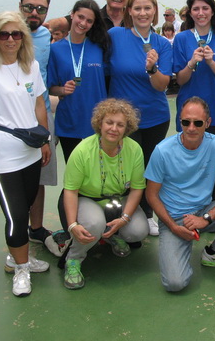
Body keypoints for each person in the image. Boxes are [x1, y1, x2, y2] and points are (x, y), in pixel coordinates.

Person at [0, 0, 59, 252]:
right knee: (15, 207)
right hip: (5, 134)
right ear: (20, 6)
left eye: (40, 8)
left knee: (37, 183)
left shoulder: (44, 41)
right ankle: (19, 249)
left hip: (38, 125)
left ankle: (35, 229)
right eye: (29, 6)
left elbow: (41, 99)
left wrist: (44, 138)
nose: (34, 12)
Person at [145, 97, 215, 292]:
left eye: (198, 123)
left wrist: (205, 218)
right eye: (186, 122)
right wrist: (173, 227)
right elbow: (151, 195)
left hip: (203, 212)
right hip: (174, 218)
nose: (191, 128)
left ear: (208, 123)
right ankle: (179, 247)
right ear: (179, 121)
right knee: (175, 283)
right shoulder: (162, 151)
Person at [62, 98, 148, 290]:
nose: (114, 129)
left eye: (120, 125)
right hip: (88, 198)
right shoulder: (83, 151)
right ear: (100, 123)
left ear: (126, 128)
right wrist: (72, 224)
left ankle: (111, 235)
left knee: (138, 231)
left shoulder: (134, 149)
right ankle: (73, 259)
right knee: (93, 224)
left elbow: (137, 188)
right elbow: (70, 190)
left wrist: (125, 219)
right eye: (109, 122)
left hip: (119, 199)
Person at [108, 0, 172, 236]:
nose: (143, 13)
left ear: (154, 11)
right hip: (122, 121)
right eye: (137, 8)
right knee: (123, 169)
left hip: (155, 117)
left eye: (147, 8)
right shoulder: (115, 36)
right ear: (129, 11)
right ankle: (118, 215)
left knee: (148, 169)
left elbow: (162, 85)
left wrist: (153, 68)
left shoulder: (162, 44)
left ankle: (147, 214)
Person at [173, 0, 215, 199]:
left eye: (205, 8)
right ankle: (187, 205)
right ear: (190, 13)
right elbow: (181, 80)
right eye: (196, 9)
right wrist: (191, 63)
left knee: (213, 163)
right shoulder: (182, 38)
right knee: (188, 162)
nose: (200, 13)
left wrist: (211, 62)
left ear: (212, 12)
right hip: (188, 112)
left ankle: (208, 205)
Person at [48, 0, 111, 161]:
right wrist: (62, 90)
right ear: (72, 15)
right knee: (74, 172)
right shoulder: (55, 49)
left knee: (98, 171)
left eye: (89, 21)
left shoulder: (99, 46)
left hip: (97, 122)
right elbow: (50, 87)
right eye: (80, 17)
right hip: (69, 121)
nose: (83, 23)